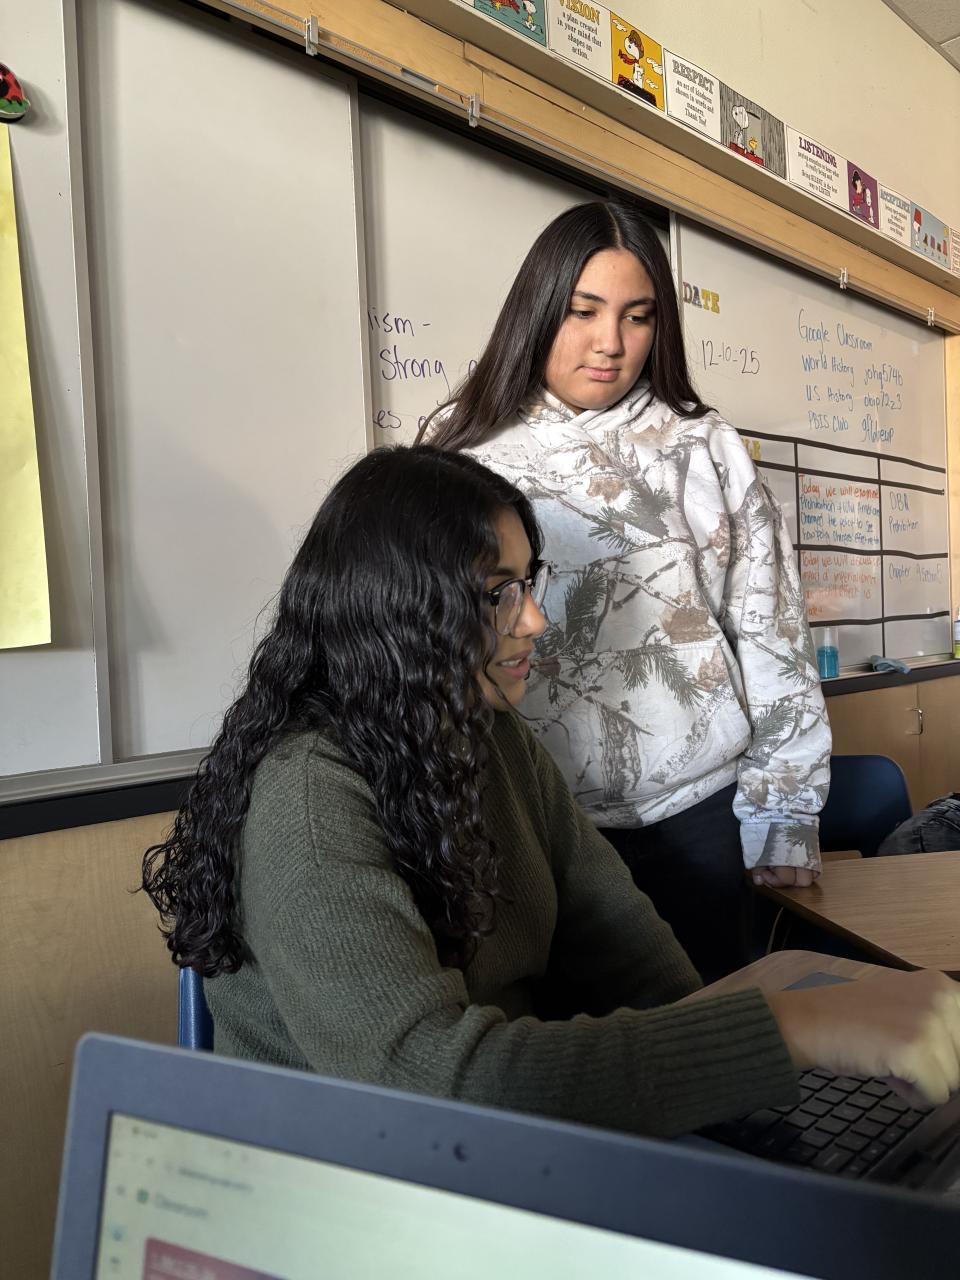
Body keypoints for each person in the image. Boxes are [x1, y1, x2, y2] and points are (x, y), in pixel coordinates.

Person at [142, 446, 960, 1139]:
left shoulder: (493, 738)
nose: (533, 620)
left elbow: (627, 947)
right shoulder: (309, 795)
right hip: (362, 1188)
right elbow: (436, 1086)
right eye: (499, 592)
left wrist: (757, 1095)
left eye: (527, 583)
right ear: (400, 607)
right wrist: (791, 1027)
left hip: (496, 1160)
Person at [421, 201, 831, 980]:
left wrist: (783, 812)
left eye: (637, 317)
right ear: (539, 308)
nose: (610, 343)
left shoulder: (703, 446)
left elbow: (771, 631)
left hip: (699, 813)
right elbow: (428, 645)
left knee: (714, 1033)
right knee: (560, 1044)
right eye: (583, 312)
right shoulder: (460, 452)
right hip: (527, 821)